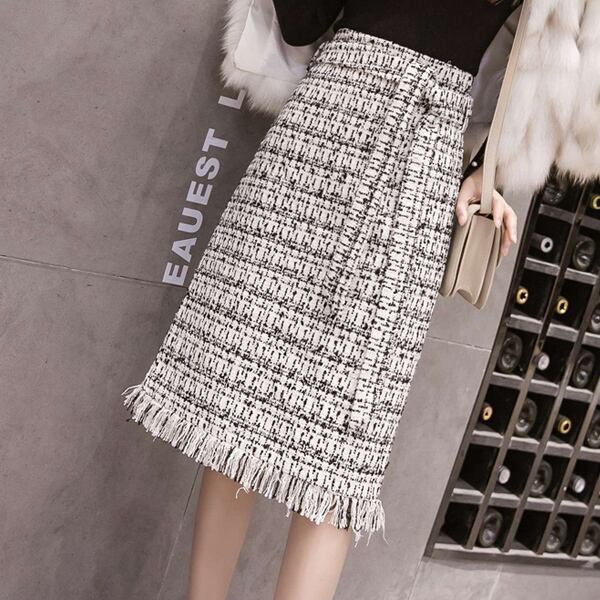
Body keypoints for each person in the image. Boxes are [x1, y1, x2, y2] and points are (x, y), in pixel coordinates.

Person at [122, 1, 522, 598]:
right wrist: (492, 165)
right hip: (368, 133)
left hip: (387, 132)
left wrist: (492, 169)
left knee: (332, 445)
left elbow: (549, 71)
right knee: (256, 402)